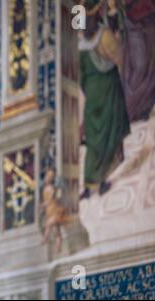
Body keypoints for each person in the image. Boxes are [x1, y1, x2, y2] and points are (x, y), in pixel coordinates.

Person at [79, 0, 130, 199]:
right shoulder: (105, 36)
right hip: (108, 90)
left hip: (92, 95)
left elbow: (81, 78)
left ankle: (89, 183)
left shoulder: (80, 44)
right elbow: (121, 58)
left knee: (94, 140)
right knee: (108, 135)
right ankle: (100, 182)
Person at [40, 169, 72, 253]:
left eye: (50, 177)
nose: (48, 178)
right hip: (49, 212)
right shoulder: (45, 188)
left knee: (48, 224)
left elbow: (50, 199)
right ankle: (58, 247)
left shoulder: (51, 188)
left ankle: (45, 238)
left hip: (55, 210)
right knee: (56, 231)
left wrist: (44, 205)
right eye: (47, 176)